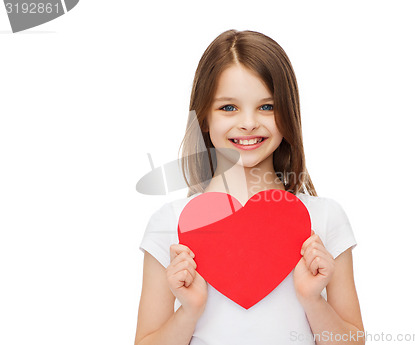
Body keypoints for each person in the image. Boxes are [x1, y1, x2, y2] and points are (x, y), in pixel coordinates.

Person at [135, 29, 364, 345]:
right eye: (228, 107)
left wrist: (313, 299)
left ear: (288, 112)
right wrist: (188, 310)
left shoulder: (323, 218)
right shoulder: (169, 223)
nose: (248, 123)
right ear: (203, 117)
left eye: (267, 107)